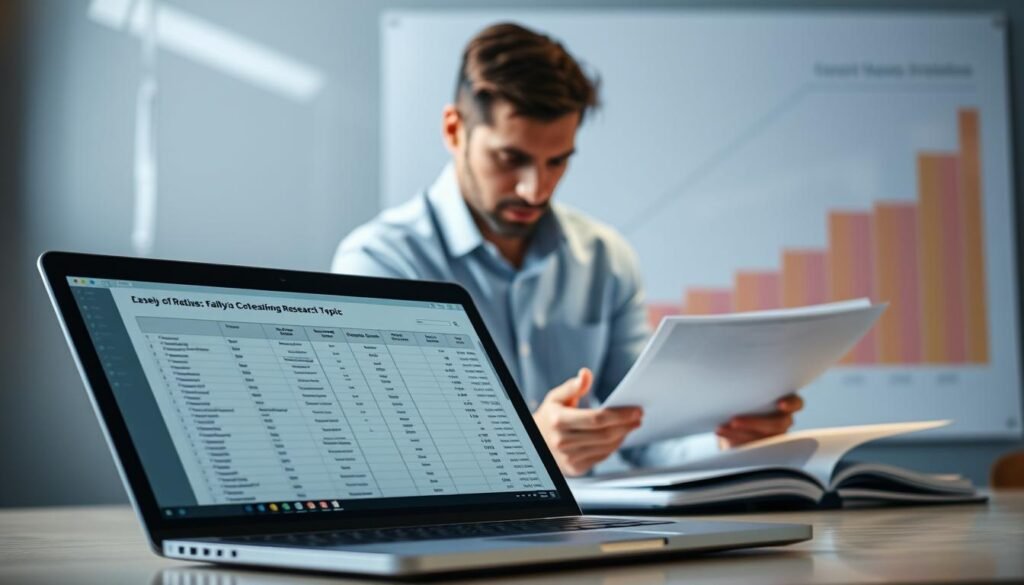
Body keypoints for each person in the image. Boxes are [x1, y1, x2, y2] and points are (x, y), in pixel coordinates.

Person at [332, 22, 803, 476]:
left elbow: (646, 433)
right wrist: (530, 449)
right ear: (454, 130)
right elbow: (385, 453)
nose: (535, 189)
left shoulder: (605, 259)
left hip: (582, 534)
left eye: (556, 162)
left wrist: (728, 439)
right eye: (510, 158)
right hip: (441, 540)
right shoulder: (379, 262)